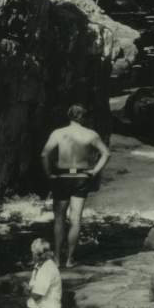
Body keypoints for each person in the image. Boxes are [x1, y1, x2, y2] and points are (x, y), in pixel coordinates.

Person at [40, 104, 111, 267]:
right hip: (81, 176)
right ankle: (70, 259)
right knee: (75, 219)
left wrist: (49, 174)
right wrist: (95, 171)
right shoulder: (91, 134)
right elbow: (106, 153)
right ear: (83, 117)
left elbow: (44, 154)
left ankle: (57, 258)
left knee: (59, 219)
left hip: (62, 176)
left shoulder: (58, 133)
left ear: (69, 116)